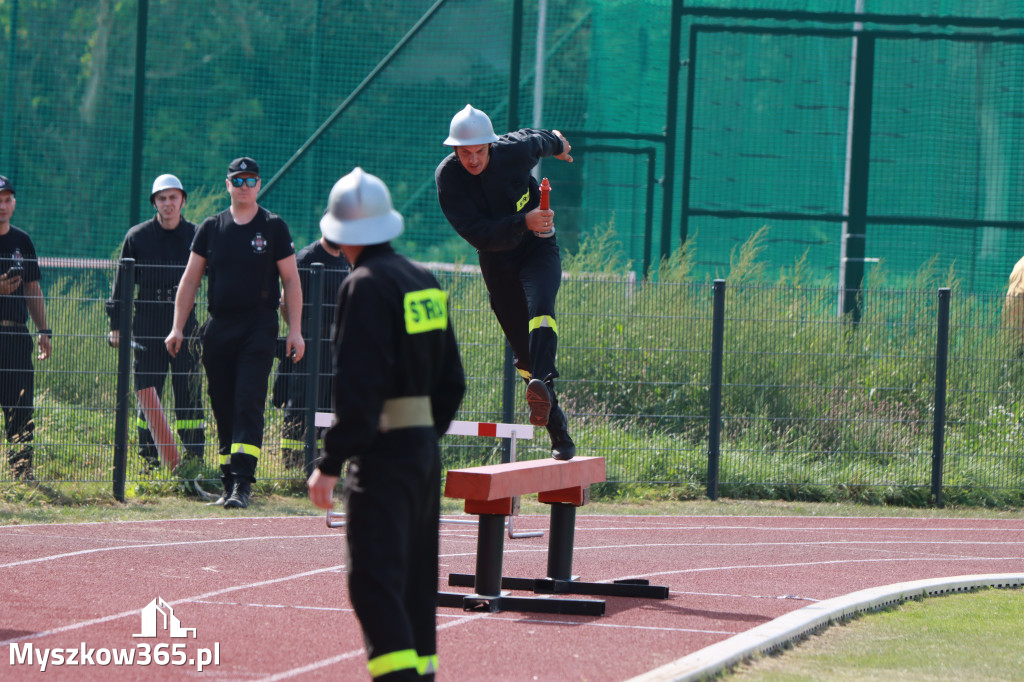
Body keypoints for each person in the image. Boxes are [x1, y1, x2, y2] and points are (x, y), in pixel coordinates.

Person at [307, 168, 465, 682]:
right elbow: (453, 382)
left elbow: (358, 387)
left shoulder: (364, 286)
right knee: (416, 582)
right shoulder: (423, 280)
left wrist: (330, 463)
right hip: (423, 452)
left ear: (338, 234)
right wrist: (421, 432)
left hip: (383, 457)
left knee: (373, 580)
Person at [434, 104, 576, 460]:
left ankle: (542, 386)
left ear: (491, 146)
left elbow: (540, 139)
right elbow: (477, 233)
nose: (472, 159)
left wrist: (558, 143)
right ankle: (558, 430)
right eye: (464, 153)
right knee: (524, 356)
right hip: (496, 260)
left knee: (542, 306)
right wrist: (522, 221)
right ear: (454, 150)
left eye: (479, 151)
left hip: (538, 247)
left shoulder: (512, 150)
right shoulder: (448, 179)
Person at [166, 157, 305, 509]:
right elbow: (190, 280)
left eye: (250, 180)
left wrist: (296, 331)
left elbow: (291, 280)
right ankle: (228, 480)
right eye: (237, 180)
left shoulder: (274, 227)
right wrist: (177, 327)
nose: (244, 186)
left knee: (248, 402)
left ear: (259, 185)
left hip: (259, 325)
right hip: (218, 328)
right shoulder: (212, 228)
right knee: (223, 404)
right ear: (227, 185)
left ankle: (243, 483)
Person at [107, 174, 205, 471]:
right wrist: (116, 326)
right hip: (147, 323)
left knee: (188, 394)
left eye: (173, 197)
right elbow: (121, 285)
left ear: (183, 200)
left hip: (186, 323)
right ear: (154, 203)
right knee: (148, 394)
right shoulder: (136, 237)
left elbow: (219, 277)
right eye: (161, 198)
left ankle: (193, 461)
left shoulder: (197, 235)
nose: (168, 203)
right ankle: (149, 462)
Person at [274, 225, 349, 470]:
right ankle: (292, 463)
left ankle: (320, 463)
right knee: (300, 400)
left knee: (330, 404)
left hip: (336, 348)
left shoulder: (347, 261)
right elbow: (285, 300)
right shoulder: (307, 258)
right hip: (307, 343)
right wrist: (299, 332)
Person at [0, 175, 51, 480]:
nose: (2, 206)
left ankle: (22, 472)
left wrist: (44, 330)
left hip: (16, 335)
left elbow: (32, 289)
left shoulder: (23, 241)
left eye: (7, 200)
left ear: (14, 204)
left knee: (20, 406)